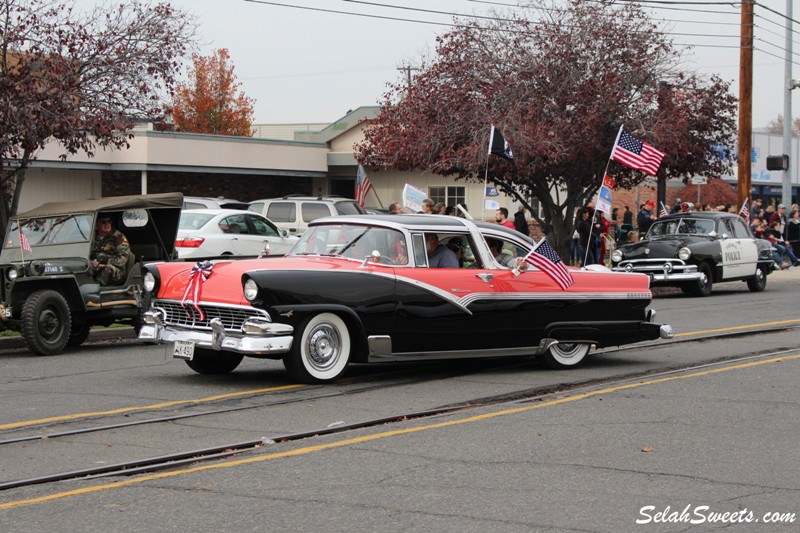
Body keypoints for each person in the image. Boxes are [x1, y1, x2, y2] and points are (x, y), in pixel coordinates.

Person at [91, 214, 132, 286]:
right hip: (95, 266)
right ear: (96, 224)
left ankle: (95, 289)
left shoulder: (119, 237)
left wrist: (103, 264)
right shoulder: (92, 237)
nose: (107, 224)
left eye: (109, 221)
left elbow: (122, 259)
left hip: (117, 271)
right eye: (104, 222)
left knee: (107, 269)